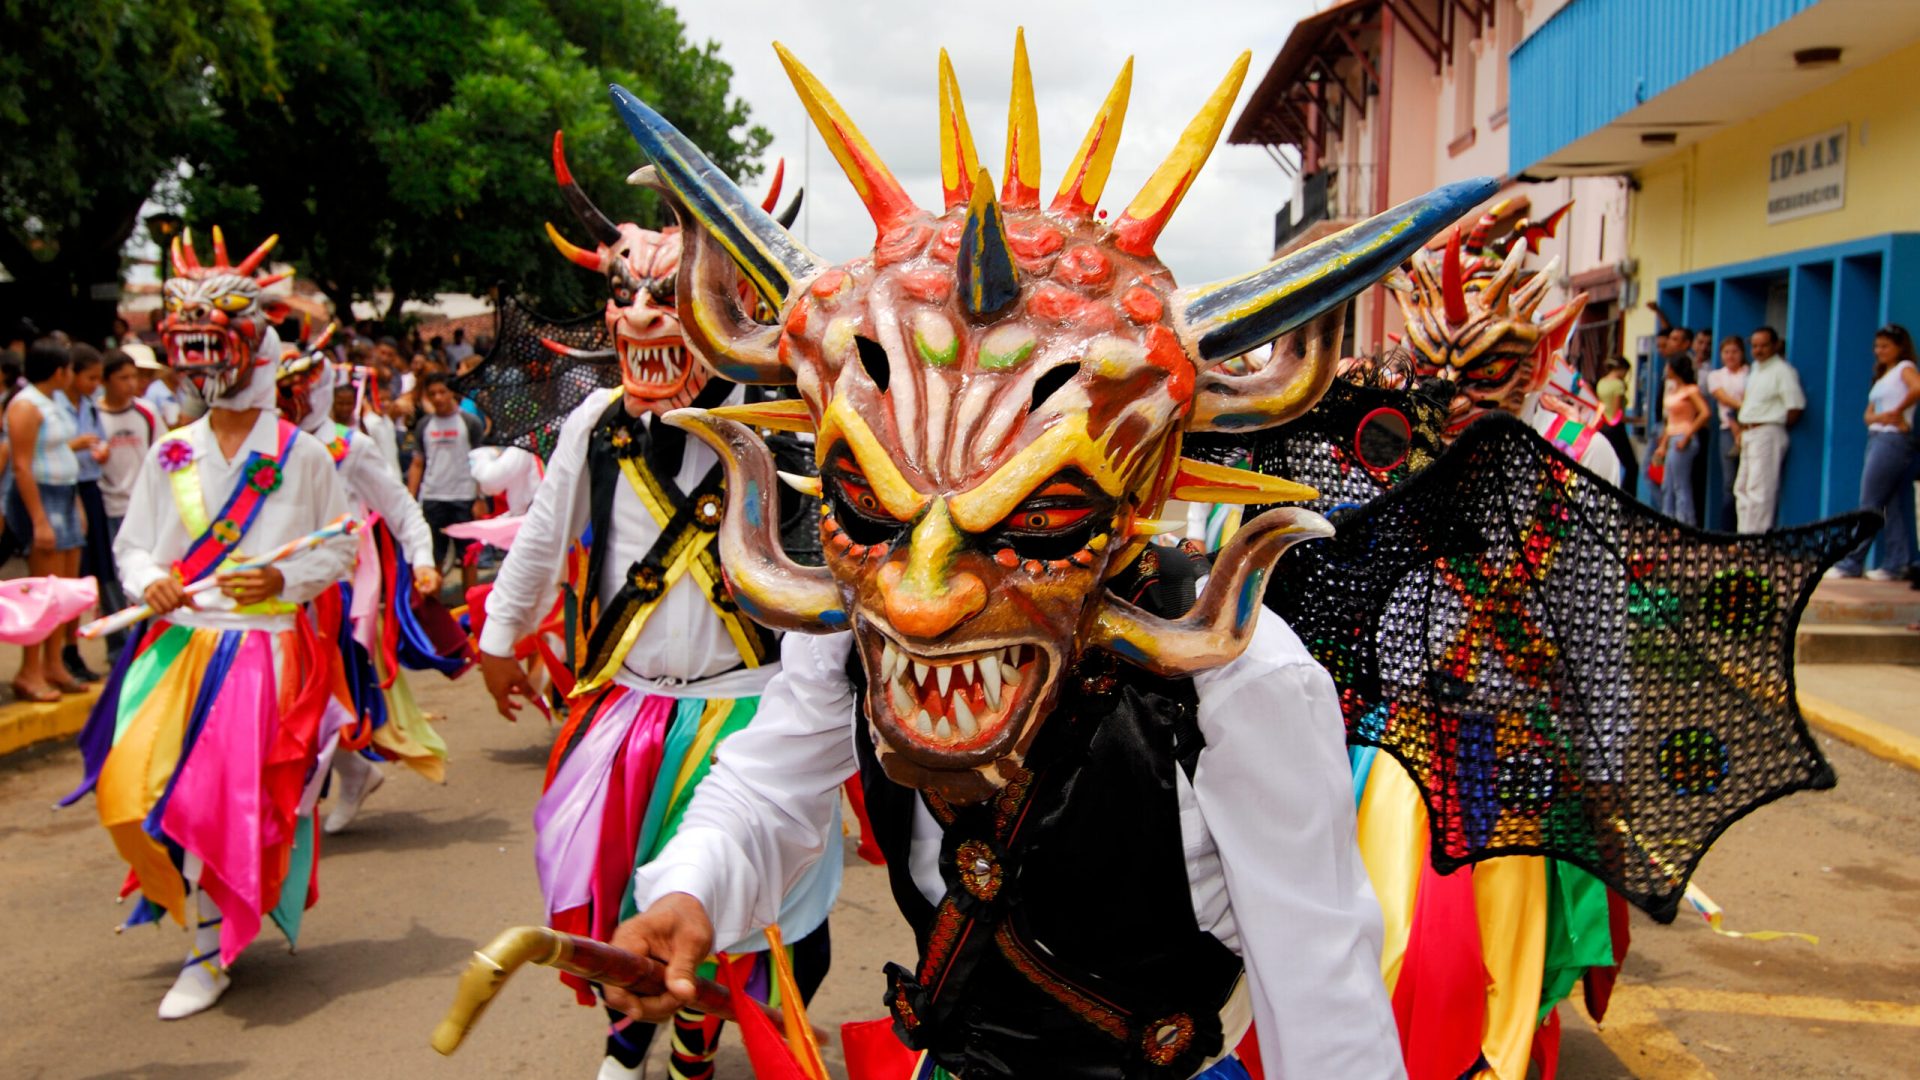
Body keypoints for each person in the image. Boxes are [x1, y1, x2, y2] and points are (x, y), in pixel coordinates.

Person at [477, 122, 841, 1080]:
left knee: (753, 910)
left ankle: (690, 1050)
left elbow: (819, 599)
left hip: (746, 713)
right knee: (619, 896)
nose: (642, 319)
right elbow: (545, 538)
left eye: (671, 296)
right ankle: (627, 1038)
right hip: (627, 708)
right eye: (625, 295)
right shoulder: (592, 421)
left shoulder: (788, 437)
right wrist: (500, 635)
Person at [66, 226, 357, 1020]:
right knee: (129, 794)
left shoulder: (300, 455)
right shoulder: (171, 453)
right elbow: (134, 549)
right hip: (178, 646)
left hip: (263, 648)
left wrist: (282, 575)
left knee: (211, 802)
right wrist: (155, 582)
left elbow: (339, 549)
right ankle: (199, 922)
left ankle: (206, 949)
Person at [275, 345, 450, 833]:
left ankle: (305, 803)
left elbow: (399, 506)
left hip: (335, 595)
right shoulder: (262, 446)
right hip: (273, 592)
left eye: (299, 386)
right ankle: (349, 772)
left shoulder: (348, 448)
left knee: (313, 696)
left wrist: (422, 559)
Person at [5, 338, 93, 700]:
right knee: (42, 588)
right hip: (40, 497)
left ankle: (53, 662)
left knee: (63, 589)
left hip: (62, 494)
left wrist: (76, 507)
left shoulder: (49, 403)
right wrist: (39, 519)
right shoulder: (26, 406)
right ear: (60, 371)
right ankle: (29, 670)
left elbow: (57, 453)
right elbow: (22, 465)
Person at [1829, 324, 1920, 580]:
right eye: (1877, 346)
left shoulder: (1905, 368)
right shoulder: (1882, 375)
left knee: (1870, 501)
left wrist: (1898, 411)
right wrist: (1883, 415)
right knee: (1893, 502)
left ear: (1899, 347)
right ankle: (1897, 563)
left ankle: (1852, 562)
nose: (1879, 351)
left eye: (1885, 346)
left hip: (1893, 440)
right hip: (1877, 436)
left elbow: (1917, 388)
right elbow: (1868, 415)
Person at [94, 349, 159, 654]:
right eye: (123, 378)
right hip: (108, 506)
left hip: (143, 506)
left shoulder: (146, 413)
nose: (131, 383)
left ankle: (143, 639)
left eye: (134, 376)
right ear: (106, 381)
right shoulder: (94, 414)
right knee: (112, 579)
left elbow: (163, 454)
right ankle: (118, 647)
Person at [56, 344, 113, 682]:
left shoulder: (90, 407)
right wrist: (74, 447)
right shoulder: (53, 408)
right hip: (65, 490)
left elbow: (97, 444)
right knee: (68, 576)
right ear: (69, 374)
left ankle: (74, 648)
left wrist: (99, 452)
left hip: (91, 488)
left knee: (89, 575)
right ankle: (64, 651)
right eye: (90, 377)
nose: (95, 384)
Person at [407, 373, 483, 593]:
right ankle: (435, 612)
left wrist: (479, 498)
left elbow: (480, 461)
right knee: (434, 557)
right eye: (432, 394)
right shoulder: (424, 425)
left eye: (442, 392)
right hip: (433, 498)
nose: (438, 397)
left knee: (469, 556)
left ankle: (471, 609)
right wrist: (411, 498)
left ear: (452, 393)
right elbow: (417, 463)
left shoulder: (469, 423)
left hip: (464, 497)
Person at [1733, 326, 1805, 532]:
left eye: (1764, 345)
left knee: (1760, 488)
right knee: (1743, 486)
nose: (1758, 350)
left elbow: (1795, 406)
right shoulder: (1755, 369)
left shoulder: (1782, 371)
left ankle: (1755, 538)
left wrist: (1772, 423)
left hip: (1767, 431)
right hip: (1749, 432)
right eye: (1755, 346)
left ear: (1775, 345)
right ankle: (1743, 535)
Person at [1654, 353, 1711, 526]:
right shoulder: (1673, 390)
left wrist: (1688, 435)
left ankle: (1685, 523)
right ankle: (1668, 521)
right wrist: (1663, 444)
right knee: (1668, 485)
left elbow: (1705, 412)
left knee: (1681, 484)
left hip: (1683, 437)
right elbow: (1669, 421)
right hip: (1672, 437)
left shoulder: (1690, 390)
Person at [1704, 335, 1749, 529]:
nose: (1730, 356)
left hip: (1749, 428)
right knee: (1729, 482)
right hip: (1727, 430)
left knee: (1748, 481)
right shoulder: (1716, 376)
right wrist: (1744, 406)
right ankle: (1727, 529)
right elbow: (1722, 398)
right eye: (1726, 352)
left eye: (1735, 351)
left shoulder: (1750, 373)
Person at [1595, 356, 1639, 485]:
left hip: (1602, 427)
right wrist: (1637, 420)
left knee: (1606, 463)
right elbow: (1617, 413)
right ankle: (1627, 498)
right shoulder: (1618, 385)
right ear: (1622, 369)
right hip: (1615, 428)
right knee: (1632, 466)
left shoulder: (1601, 382)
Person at [133, 342, 183, 427]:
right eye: (139, 374)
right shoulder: (153, 395)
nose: (145, 381)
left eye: (149, 375)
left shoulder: (148, 409)